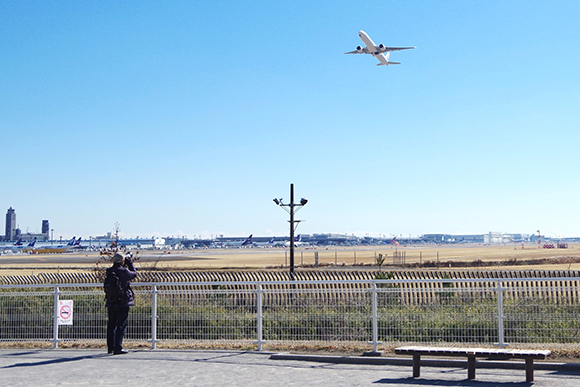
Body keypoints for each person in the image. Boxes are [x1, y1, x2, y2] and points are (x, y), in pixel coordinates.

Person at [105, 252, 137, 355]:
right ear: (123, 261)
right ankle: (118, 347)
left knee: (111, 324)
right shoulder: (123, 271)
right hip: (122, 301)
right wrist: (130, 263)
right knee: (121, 325)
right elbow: (134, 274)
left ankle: (110, 348)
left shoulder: (109, 271)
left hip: (111, 300)